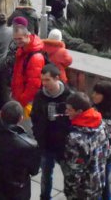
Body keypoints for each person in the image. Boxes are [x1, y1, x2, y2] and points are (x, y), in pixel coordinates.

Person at [0, 101, 41, 200]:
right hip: (17, 193)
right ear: (21, 118)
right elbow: (34, 171)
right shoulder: (30, 145)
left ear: (0, 114)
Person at [31, 64, 72, 200]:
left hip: (63, 145)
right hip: (46, 144)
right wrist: (37, 134)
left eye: (47, 80)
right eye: (42, 80)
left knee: (69, 175)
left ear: (57, 78)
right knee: (46, 175)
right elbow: (35, 116)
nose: (44, 83)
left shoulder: (69, 96)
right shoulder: (40, 95)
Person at [63, 92, 111, 200]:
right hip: (98, 181)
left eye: (69, 110)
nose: (66, 112)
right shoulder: (100, 123)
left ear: (80, 111)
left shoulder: (75, 138)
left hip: (83, 190)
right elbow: (107, 152)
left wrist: (69, 190)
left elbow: (74, 171)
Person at [92, 80, 111, 200]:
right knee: (104, 189)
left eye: (98, 93)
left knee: (100, 190)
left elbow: (102, 138)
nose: (93, 95)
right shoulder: (96, 108)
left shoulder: (109, 116)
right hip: (100, 157)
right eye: (94, 92)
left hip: (103, 158)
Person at [11, 18, 46, 114]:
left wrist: (21, 101)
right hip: (20, 97)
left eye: (20, 39)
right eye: (15, 39)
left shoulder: (35, 57)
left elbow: (34, 85)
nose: (17, 42)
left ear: (27, 35)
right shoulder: (24, 49)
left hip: (26, 102)